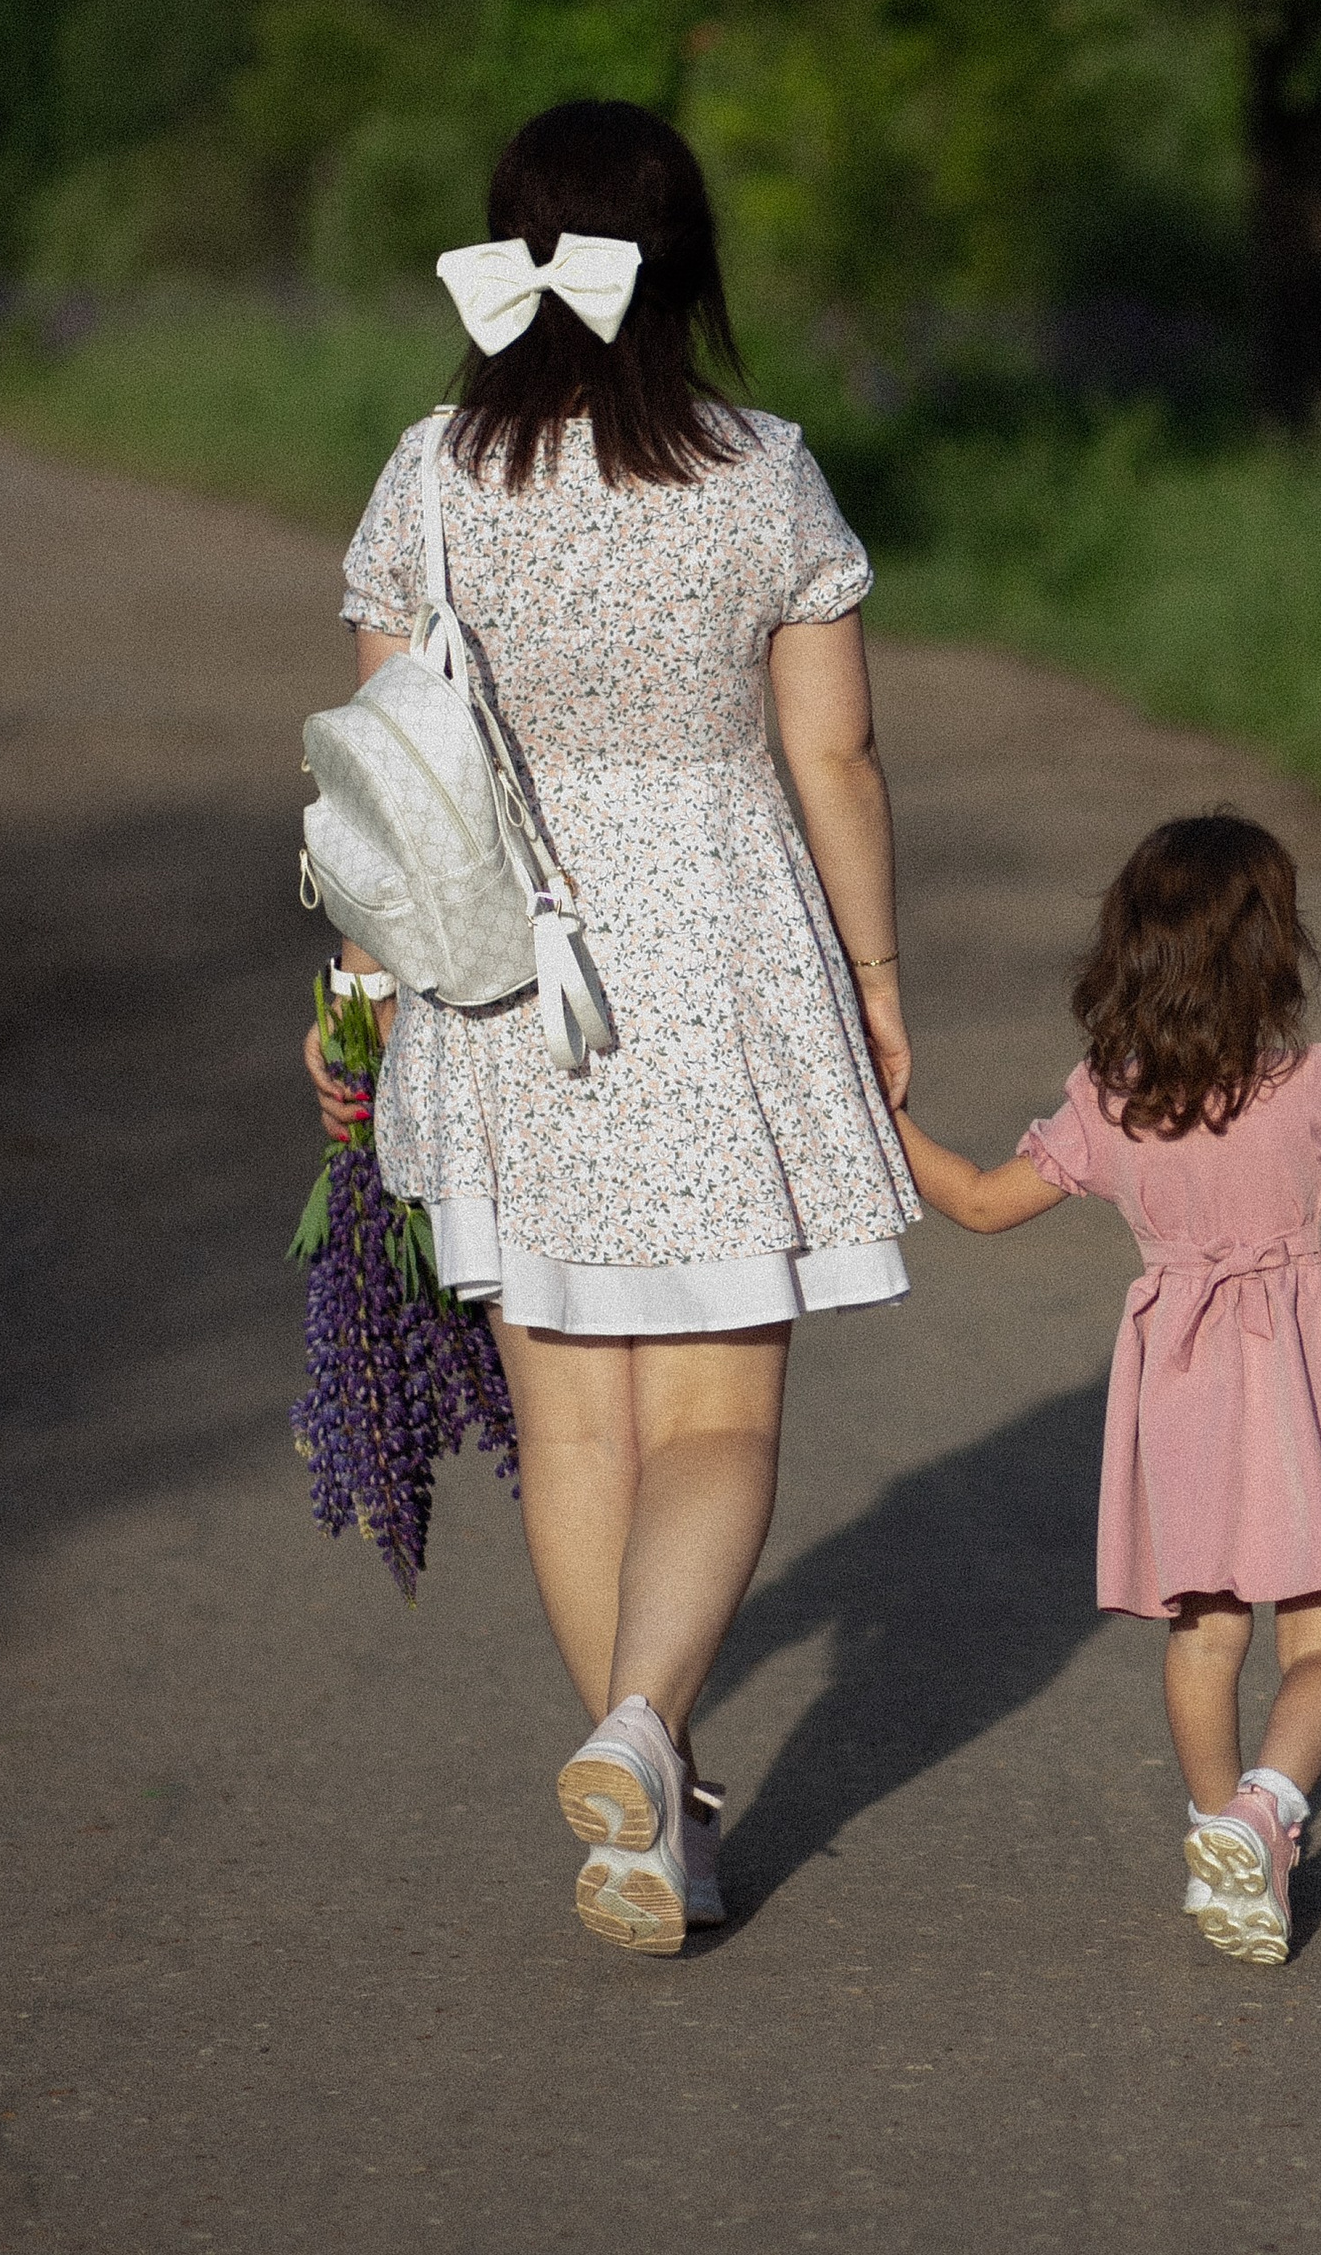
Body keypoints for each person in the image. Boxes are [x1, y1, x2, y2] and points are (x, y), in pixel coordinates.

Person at [300, 98, 918, 1955]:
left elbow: (390, 781)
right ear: (689, 261)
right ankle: (646, 1737)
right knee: (718, 1410)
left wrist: (353, 1000)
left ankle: (652, 1814)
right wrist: (881, 980)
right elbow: (835, 753)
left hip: (496, 977)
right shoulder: (761, 471)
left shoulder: (430, 477)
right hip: (722, 956)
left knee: (574, 1427)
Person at [895, 812, 1321, 1964]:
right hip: (1295, 1382)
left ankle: (1212, 1832)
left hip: (1176, 1384)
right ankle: (1266, 1811)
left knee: (1204, 1630)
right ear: (1275, 950)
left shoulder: (1108, 1099)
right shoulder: (1313, 1087)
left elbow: (979, 1203)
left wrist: (877, 1118)